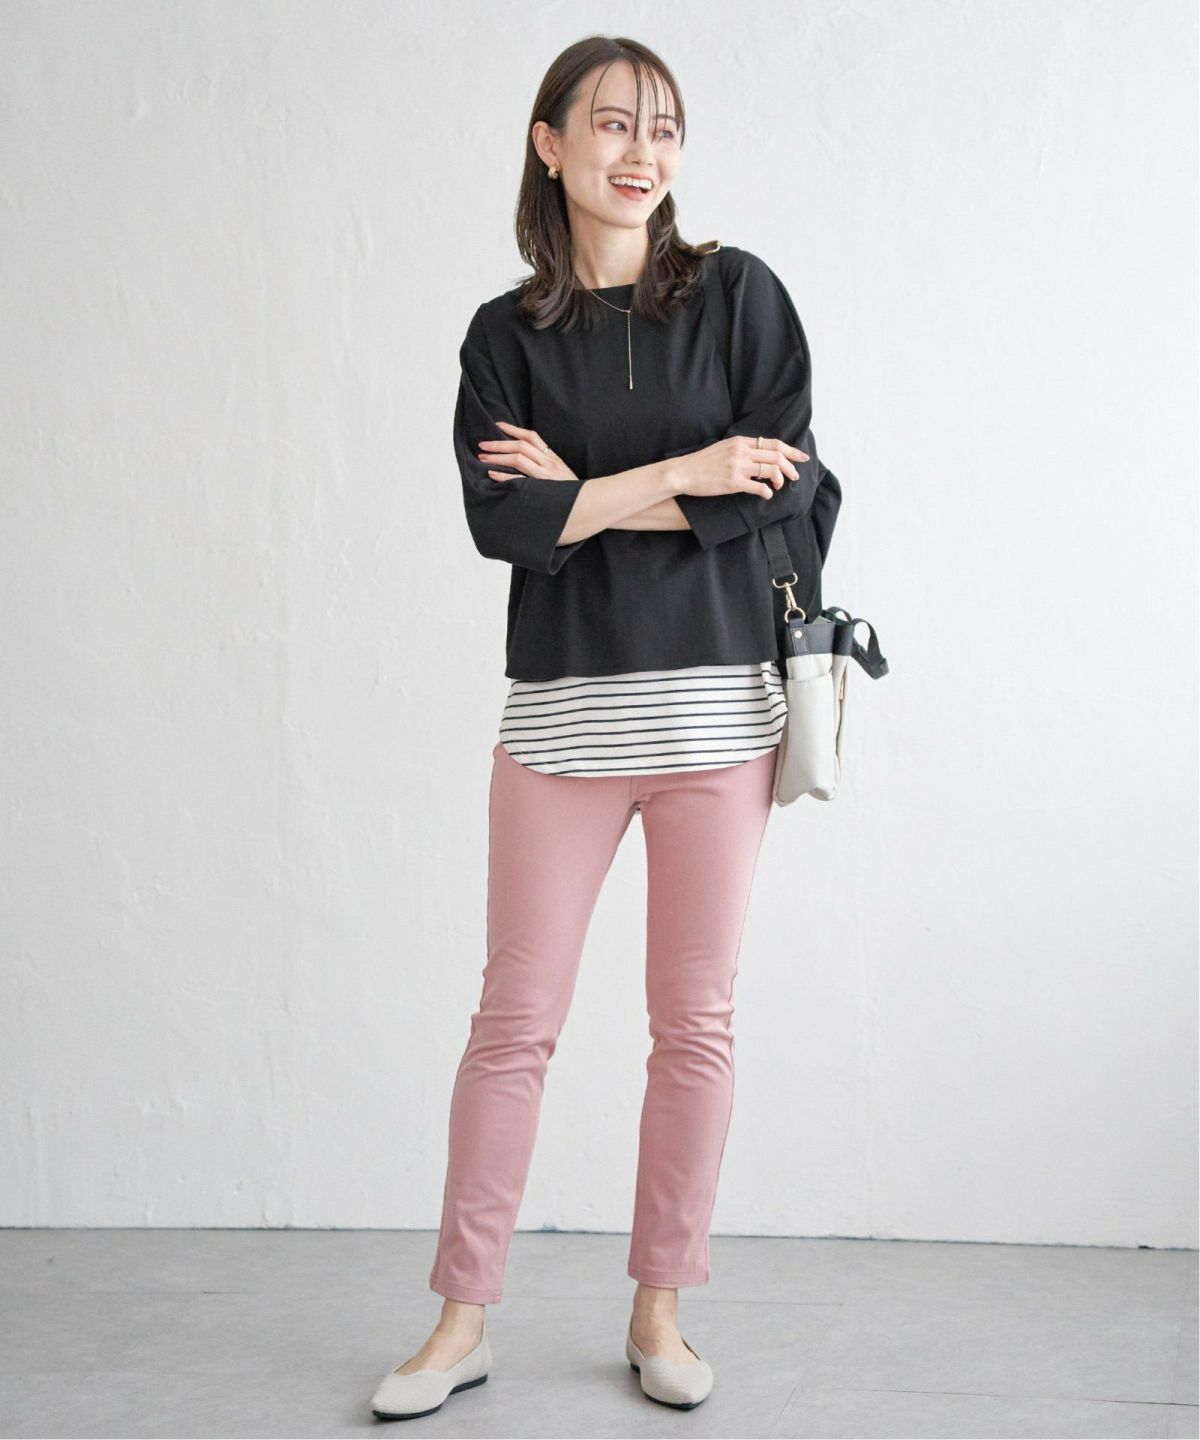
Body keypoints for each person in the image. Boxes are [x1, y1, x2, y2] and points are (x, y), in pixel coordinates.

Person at [370, 32, 841, 1422]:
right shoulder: (502, 336)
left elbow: (784, 485)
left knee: (694, 1024)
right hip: (562, 722)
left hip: (716, 721)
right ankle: (461, 1322)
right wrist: (683, 472)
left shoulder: (739, 296)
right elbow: (501, 521)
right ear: (551, 141)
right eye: (615, 124)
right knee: (512, 1024)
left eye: (664, 129)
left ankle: (660, 1311)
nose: (643, 154)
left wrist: (588, 493)